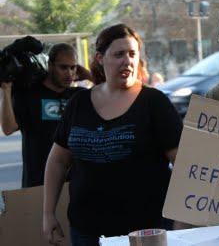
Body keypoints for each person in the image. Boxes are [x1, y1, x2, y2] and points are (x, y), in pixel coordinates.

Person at [43, 24, 183, 246]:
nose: (127, 61)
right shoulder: (78, 103)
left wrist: (181, 221)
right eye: (118, 54)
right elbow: (58, 161)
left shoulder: (154, 103)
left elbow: (183, 165)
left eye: (132, 54)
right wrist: (48, 214)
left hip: (145, 232)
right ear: (100, 58)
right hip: (86, 231)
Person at [0, 43, 86, 188]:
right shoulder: (29, 94)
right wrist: (6, 90)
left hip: (75, 183)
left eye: (73, 67)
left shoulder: (77, 96)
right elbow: (8, 128)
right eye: (63, 67)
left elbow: (110, 96)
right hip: (38, 183)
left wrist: (88, 74)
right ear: (50, 65)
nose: (69, 73)